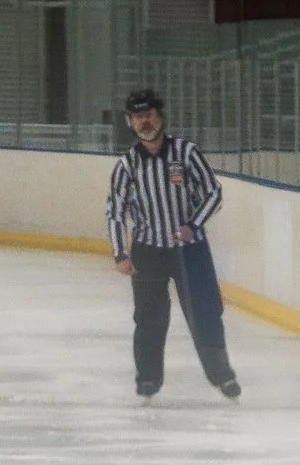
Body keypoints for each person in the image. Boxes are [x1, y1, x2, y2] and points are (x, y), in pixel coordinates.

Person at [104, 88, 239, 402]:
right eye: (139, 117)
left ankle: (222, 376)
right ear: (130, 122)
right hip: (148, 251)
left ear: (160, 117)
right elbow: (114, 210)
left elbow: (213, 193)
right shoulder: (127, 165)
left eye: (149, 115)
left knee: (204, 314)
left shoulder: (186, 153)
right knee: (149, 319)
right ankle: (148, 381)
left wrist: (193, 225)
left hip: (191, 252)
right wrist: (119, 253)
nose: (145, 122)